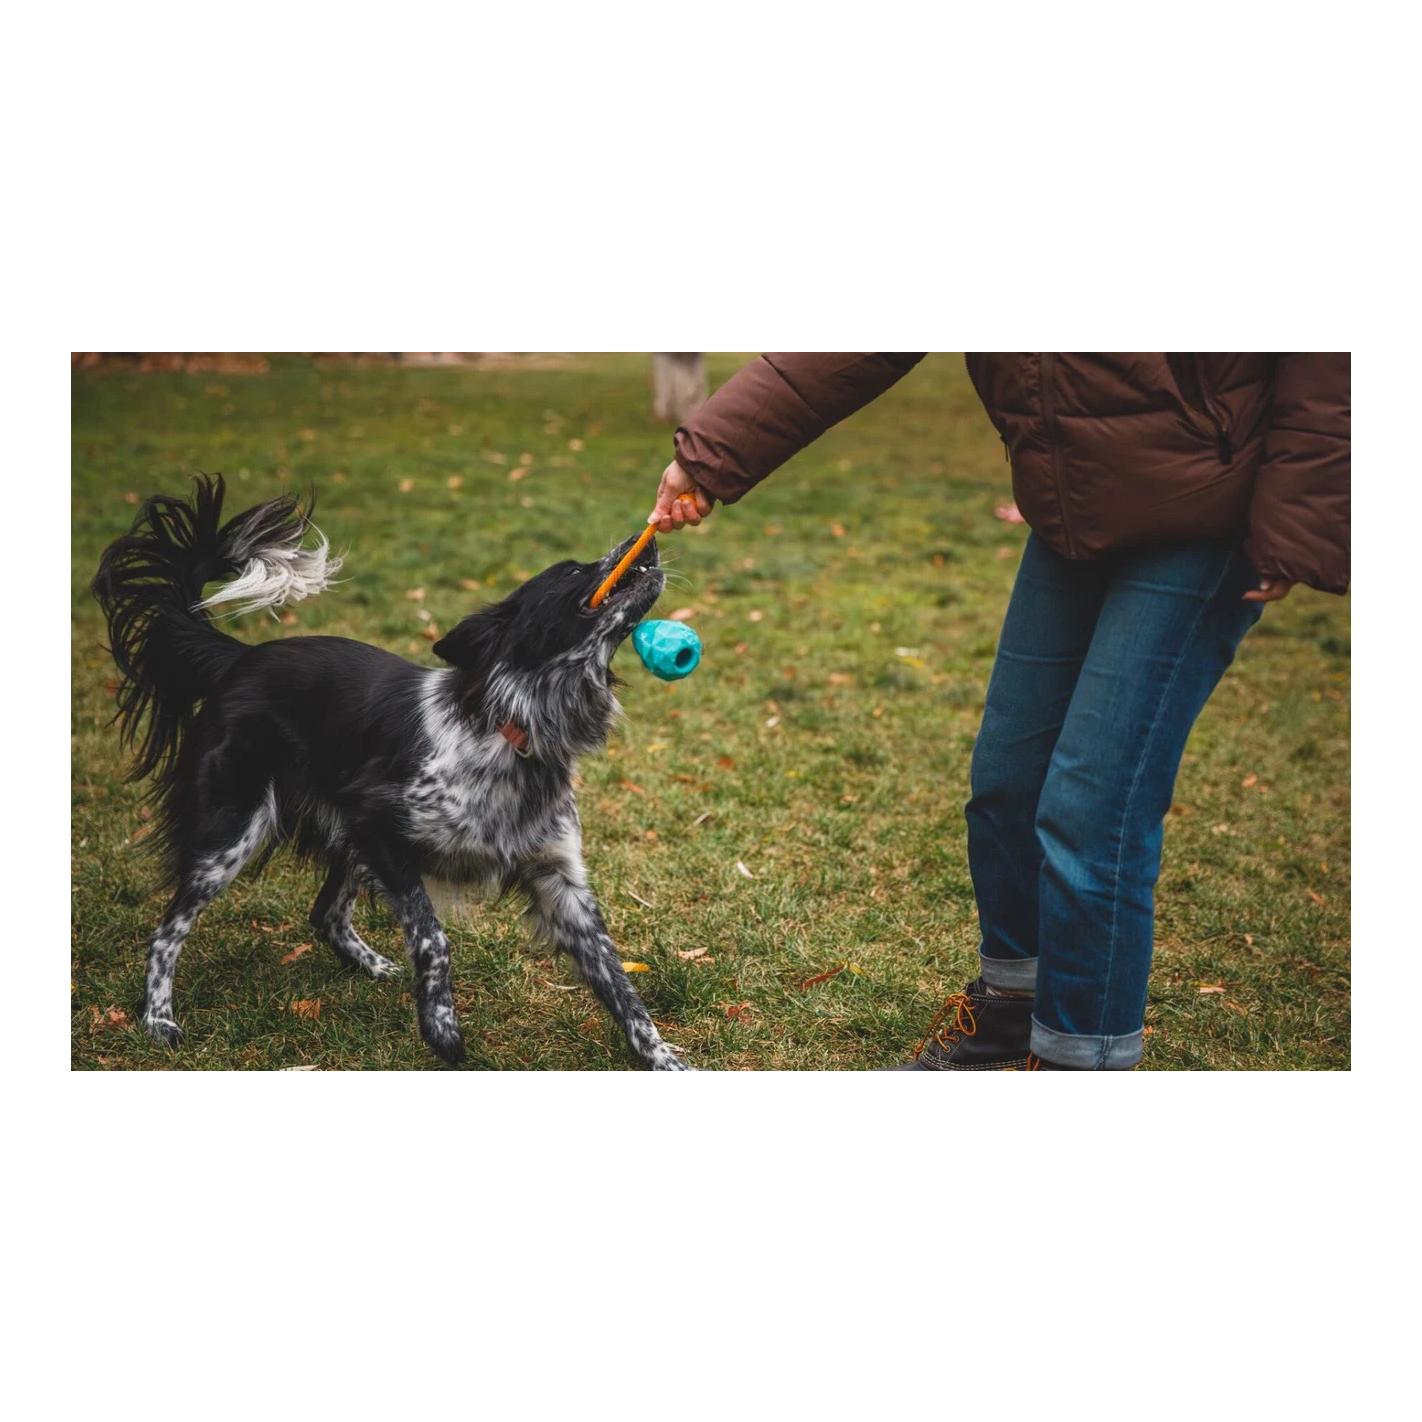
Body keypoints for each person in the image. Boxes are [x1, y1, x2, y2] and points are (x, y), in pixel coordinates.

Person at [646, 354, 1350, 1070]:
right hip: (1078, 502)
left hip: (1210, 499)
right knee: (1008, 783)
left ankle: (1082, 1057)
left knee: (1094, 808)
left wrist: (1303, 512)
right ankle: (1012, 1014)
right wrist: (711, 455)